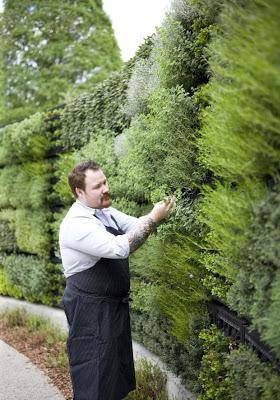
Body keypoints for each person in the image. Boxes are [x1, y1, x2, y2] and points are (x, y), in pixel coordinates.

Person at [59, 160, 175, 400]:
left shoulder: (104, 211)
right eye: (97, 186)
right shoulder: (77, 224)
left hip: (110, 307)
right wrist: (153, 219)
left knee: (113, 375)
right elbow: (120, 247)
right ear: (79, 192)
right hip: (90, 309)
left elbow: (134, 225)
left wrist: (157, 214)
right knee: (95, 374)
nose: (105, 189)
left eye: (105, 182)